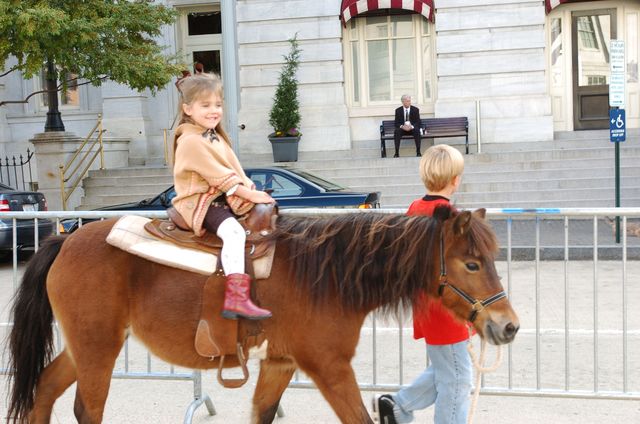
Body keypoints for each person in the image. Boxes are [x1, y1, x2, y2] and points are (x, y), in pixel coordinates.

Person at [375, 144, 472, 424]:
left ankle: (397, 405)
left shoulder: (415, 208)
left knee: (446, 369)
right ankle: (399, 405)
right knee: (457, 381)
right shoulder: (450, 216)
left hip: (425, 304)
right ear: (455, 179)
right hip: (447, 307)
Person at [172, 73, 273, 320]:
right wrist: (249, 193)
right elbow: (220, 177)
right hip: (200, 201)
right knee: (234, 233)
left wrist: (252, 189)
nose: (213, 110)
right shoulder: (191, 141)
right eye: (205, 105)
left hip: (219, 199)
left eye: (217, 105)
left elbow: (234, 169)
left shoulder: (215, 137)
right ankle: (236, 299)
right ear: (188, 109)